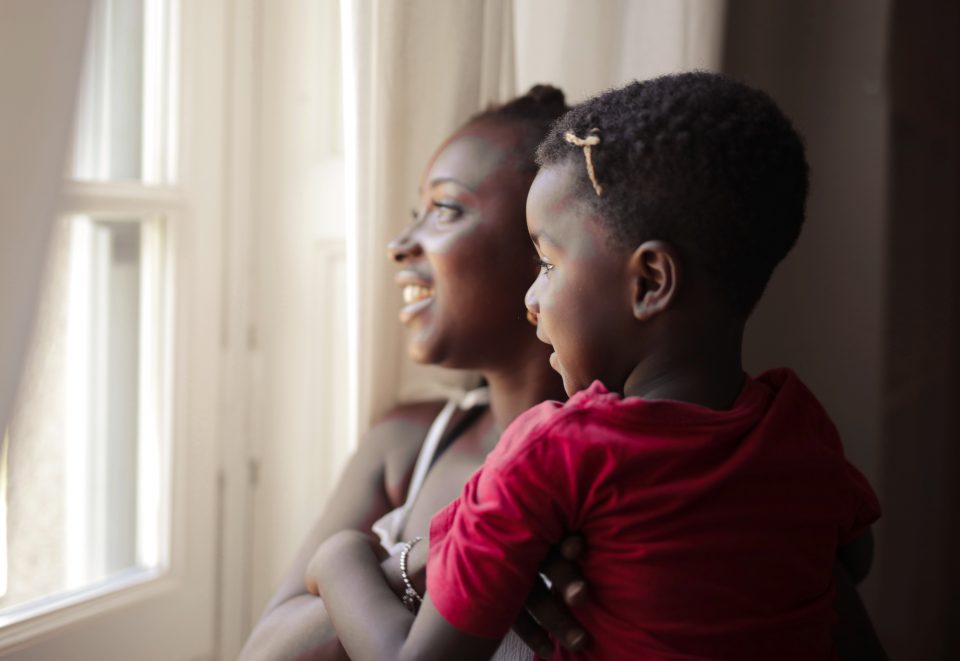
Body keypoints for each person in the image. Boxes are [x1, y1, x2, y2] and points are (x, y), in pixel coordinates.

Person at [304, 72, 882, 660]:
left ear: (650, 281)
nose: (531, 299)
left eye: (547, 264)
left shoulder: (554, 452)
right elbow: (852, 562)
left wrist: (340, 558)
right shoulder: (798, 425)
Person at [239, 86, 588, 661]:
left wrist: (350, 570)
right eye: (414, 215)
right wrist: (440, 556)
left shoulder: (623, 464)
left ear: (544, 243)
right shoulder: (406, 444)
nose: (400, 245)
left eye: (445, 209)